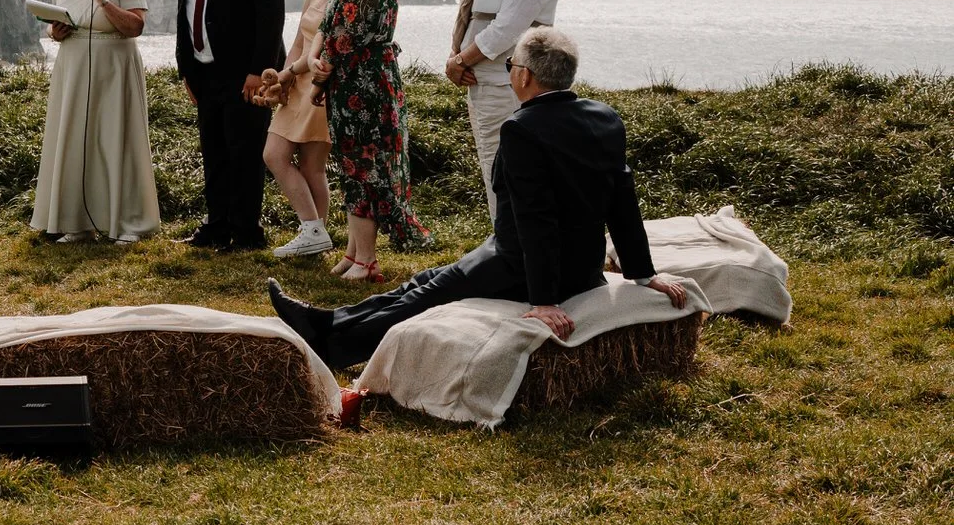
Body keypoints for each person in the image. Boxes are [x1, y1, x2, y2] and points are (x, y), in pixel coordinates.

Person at [268, 27, 688, 368]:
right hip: (577, 263)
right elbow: (623, 203)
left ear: (526, 75)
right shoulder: (604, 118)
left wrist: (544, 299)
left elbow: (534, 217)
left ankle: (331, 346)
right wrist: (643, 272)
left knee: (424, 296)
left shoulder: (523, 129)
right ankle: (326, 321)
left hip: (522, 265)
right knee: (424, 280)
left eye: (511, 65)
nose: (509, 73)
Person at [310, 0, 424, 280]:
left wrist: (322, 71)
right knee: (352, 165)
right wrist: (320, 68)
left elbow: (349, 36)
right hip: (349, 82)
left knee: (364, 166)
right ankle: (354, 252)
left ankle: (367, 260)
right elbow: (330, 30)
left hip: (366, 84)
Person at [30, 0, 161, 243]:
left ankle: (128, 221)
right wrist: (54, 31)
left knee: (115, 138)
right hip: (72, 67)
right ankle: (76, 222)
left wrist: (103, 1)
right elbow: (55, 21)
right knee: (74, 138)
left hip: (114, 68)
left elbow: (136, 27)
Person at [173, 0, 285, 250]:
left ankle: (247, 232)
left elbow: (271, 16)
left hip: (244, 76)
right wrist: (186, 72)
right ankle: (216, 225)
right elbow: (184, 15)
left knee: (245, 152)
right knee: (214, 152)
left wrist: (258, 71)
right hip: (204, 76)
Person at [444, 0, 560, 215]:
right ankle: (507, 244)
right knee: (493, 165)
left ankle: (514, 250)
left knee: (506, 169)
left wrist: (459, 61)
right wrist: (457, 58)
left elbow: (507, 29)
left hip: (507, 85)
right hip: (486, 82)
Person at [257, 0, 339, 259]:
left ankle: (313, 238)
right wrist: (283, 78)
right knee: (274, 154)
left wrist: (290, 74)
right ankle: (314, 231)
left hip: (321, 87)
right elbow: (298, 43)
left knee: (312, 167)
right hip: (298, 84)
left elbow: (321, 53)